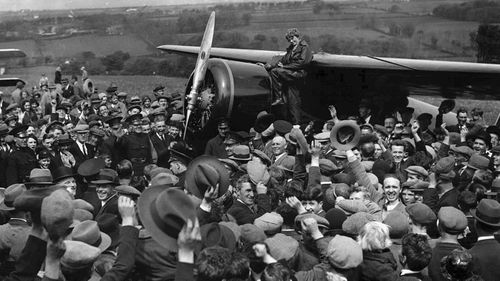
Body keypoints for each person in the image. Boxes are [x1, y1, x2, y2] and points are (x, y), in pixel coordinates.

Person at [260, 28, 312, 124]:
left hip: (298, 75)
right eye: (289, 40)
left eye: (292, 38)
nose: (291, 41)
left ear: (297, 36)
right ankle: (296, 124)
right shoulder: (291, 49)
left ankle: (278, 98)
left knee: (275, 72)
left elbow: (302, 63)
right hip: (290, 75)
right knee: (293, 102)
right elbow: (282, 60)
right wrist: (268, 66)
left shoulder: (305, 47)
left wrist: (285, 66)